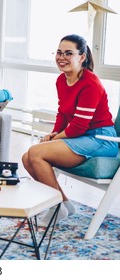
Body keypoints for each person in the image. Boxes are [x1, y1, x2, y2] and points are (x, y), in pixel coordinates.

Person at [22, 34, 118, 226]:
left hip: (101, 139)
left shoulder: (90, 84)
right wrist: (53, 133)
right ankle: (64, 203)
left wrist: (56, 137)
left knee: (36, 153)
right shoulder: (61, 80)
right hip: (82, 136)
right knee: (27, 158)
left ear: (82, 57)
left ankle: (56, 208)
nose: (61, 57)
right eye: (58, 53)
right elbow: (63, 113)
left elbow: (79, 126)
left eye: (68, 53)